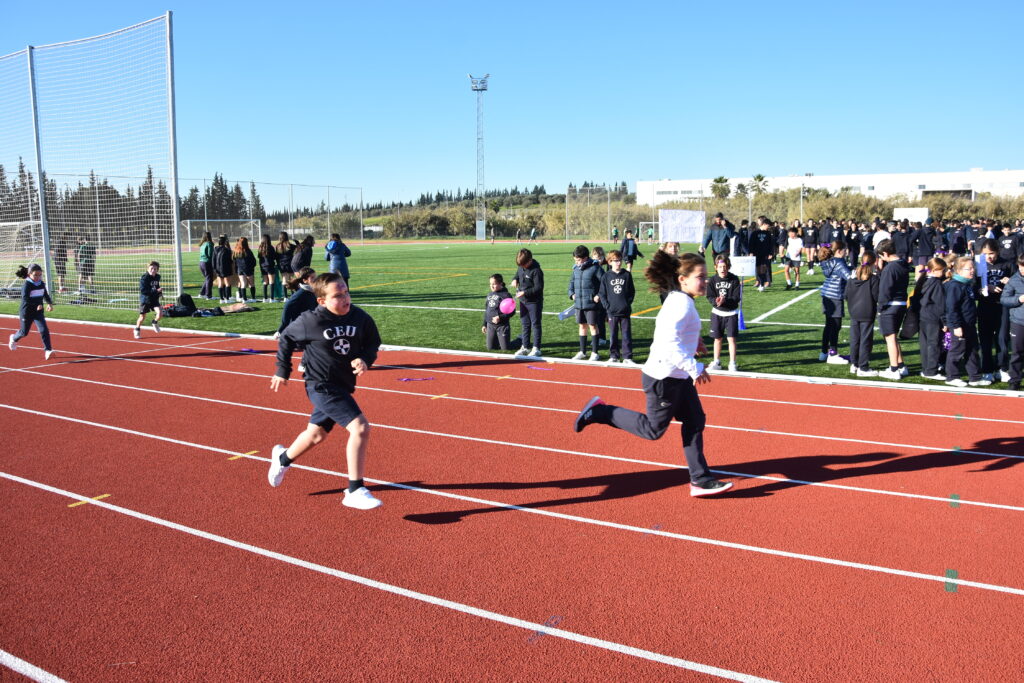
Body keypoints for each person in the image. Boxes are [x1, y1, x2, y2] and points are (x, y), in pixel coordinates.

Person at [572, 251, 733, 497]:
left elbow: (677, 334)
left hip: (677, 377)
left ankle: (699, 480)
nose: (706, 281)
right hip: (663, 378)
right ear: (683, 279)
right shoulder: (680, 303)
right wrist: (695, 367)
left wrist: (695, 342)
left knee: (694, 420)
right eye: (701, 276)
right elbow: (669, 343)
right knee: (652, 430)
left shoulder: (682, 300)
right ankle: (600, 411)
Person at [268, 272, 383, 510]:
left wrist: (364, 358)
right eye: (338, 295)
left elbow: (373, 342)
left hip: (343, 385)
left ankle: (282, 458)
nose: (345, 298)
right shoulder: (310, 320)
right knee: (360, 427)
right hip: (320, 385)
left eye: (347, 293)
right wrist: (282, 369)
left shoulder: (360, 317)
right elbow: (286, 338)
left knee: (316, 435)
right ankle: (354, 489)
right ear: (321, 301)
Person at [944, 256, 987, 387]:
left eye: (973, 267)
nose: (973, 270)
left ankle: (974, 377)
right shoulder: (955, 286)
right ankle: (952, 376)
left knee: (972, 350)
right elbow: (952, 308)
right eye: (970, 268)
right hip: (960, 325)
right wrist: (956, 326)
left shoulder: (967, 285)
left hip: (970, 324)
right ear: (959, 270)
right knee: (957, 351)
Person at [976, 239, 1012, 383]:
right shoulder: (979, 265)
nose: (989, 257)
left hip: (1003, 306)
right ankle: (987, 369)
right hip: (985, 306)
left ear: (997, 251)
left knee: (1002, 338)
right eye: (985, 254)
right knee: (985, 340)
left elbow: (1018, 283)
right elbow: (973, 287)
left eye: (991, 253)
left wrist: (1009, 281)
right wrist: (985, 289)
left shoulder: (1007, 264)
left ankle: (1002, 368)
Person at [875, 239, 910, 380]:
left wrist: (880, 307)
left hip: (890, 306)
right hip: (901, 304)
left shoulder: (890, 268)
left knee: (889, 338)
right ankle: (901, 366)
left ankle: (894, 369)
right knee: (893, 337)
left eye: (881, 256)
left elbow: (885, 290)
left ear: (885, 253)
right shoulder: (903, 264)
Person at [8, 264, 54, 359]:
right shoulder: (27, 285)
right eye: (35, 275)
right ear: (29, 275)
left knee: (44, 330)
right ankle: (13, 338)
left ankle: (48, 350)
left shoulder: (41, 283)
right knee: (24, 332)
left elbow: (45, 294)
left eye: (40, 275)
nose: (38, 277)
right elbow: (26, 299)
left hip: (38, 312)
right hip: (27, 312)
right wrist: (37, 305)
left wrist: (49, 303)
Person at [844, 253, 879, 377]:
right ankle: (863, 367)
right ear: (874, 262)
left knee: (855, 339)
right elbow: (876, 297)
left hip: (854, 312)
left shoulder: (852, 280)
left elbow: (846, 296)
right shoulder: (874, 279)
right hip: (867, 313)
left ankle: (854, 364)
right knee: (865, 340)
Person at [598, 250, 636, 365]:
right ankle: (614, 355)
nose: (618, 263)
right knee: (613, 335)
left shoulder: (626, 275)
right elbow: (602, 293)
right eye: (615, 261)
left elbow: (631, 292)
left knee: (626, 335)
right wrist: (607, 306)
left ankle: (627, 357)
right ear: (610, 262)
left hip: (624, 311)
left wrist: (627, 303)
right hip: (612, 311)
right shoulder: (606, 276)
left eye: (619, 260)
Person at [568, 245, 603, 361]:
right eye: (575, 260)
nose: (577, 262)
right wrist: (571, 293)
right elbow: (571, 283)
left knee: (593, 326)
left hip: (591, 303)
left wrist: (598, 295)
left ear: (586, 258)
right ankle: (582, 351)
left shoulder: (595, 268)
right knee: (582, 325)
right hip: (579, 304)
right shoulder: (575, 269)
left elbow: (604, 283)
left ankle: (595, 353)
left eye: (578, 260)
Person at [706, 255, 741, 372]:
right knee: (717, 339)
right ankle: (716, 361)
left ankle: (732, 363)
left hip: (731, 314)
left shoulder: (734, 279)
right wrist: (715, 302)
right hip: (717, 313)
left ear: (729, 267)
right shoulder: (712, 280)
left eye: (725, 267)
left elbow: (736, 298)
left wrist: (725, 301)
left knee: (731, 339)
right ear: (716, 267)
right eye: (720, 267)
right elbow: (709, 296)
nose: (722, 269)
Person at [916, 257, 948, 381]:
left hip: (923, 316)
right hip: (934, 318)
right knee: (934, 344)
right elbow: (941, 304)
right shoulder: (937, 284)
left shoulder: (923, 280)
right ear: (935, 270)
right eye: (942, 270)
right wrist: (944, 321)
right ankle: (931, 370)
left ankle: (926, 368)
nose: (944, 273)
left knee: (924, 344)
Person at [818, 245, 851, 364]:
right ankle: (833, 353)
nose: (846, 251)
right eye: (845, 249)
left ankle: (823, 352)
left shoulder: (829, 261)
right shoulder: (839, 262)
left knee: (829, 325)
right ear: (839, 251)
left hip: (827, 294)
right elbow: (849, 276)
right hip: (835, 295)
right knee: (836, 326)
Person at [512, 248, 544, 357]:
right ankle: (525, 347)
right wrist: (515, 279)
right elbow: (518, 273)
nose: (522, 267)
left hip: (534, 302)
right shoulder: (521, 266)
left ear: (530, 260)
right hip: (523, 302)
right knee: (525, 324)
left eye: (524, 265)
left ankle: (536, 348)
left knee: (535, 324)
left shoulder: (536, 271)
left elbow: (539, 288)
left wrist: (525, 292)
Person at [999, 254, 1024, 391]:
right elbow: (1004, 299)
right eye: (1020, 266)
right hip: (1018, 321)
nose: (1022, 269)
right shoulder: (1014, 280)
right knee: (1017, 352)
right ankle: (1014, 380)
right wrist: (1019, 299)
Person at [482, 273, 515, 351]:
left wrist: (500, 317)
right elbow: (487, 310)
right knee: (490, 348)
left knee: (505, 349)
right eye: (490, 284)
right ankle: (497, 340)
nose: (492, 286)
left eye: (494, 284)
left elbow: (512, 312)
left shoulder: (506, 295)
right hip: (490, 325)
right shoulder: (489, 295)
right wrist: (484, 324)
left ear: (500, 283)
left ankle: (520, 340)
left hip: (502, 325)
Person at [134, 261, 163, 339]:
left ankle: (154, 322)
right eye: (151, 268)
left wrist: (159, 292)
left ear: (157, 270)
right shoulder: (144, 278)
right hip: (146, 299)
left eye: (155, 269)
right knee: (142, 317)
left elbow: (156, 286)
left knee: (160, 313)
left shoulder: (157, 277)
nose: (153, 270)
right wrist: (156, 291)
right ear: (148, 269)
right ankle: (137, 329)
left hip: (154, 299)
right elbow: (143, 291)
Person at [232, 236, 257, 302]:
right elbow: (253, 261)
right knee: (251, 284)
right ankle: (253, 298)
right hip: (249, 269)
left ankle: (244, 299)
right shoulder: (248, 251)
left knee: (243, 283)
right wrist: (252, 267)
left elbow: (234, 260)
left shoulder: (236, 251)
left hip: (240, 270)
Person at [257, 234, 280, 303]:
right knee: (271, 282)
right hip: (270, 266)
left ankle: (265, 298)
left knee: (265, 282)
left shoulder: (260, 248)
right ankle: (272, 299)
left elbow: (259, 257)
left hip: (263, 267)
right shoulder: (270, 247)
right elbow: (274, 257)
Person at [212, 234, 235, 303]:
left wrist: (215, 269)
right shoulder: (227, 250)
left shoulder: (215, 249)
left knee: (220, 283)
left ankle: (221, 299)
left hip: (218, 269)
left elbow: (213, 260)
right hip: (226, 268)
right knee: (227, 283)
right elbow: (230, 261)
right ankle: (227, 299)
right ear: (225, 242)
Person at [197, 231, 214, 299]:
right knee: (209, 279)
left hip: (201, 263)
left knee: (207, 278)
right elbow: (210, 255)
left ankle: (201, 293)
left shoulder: (202, 244)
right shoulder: (209, 243)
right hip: (207, 263)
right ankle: (208, 295)